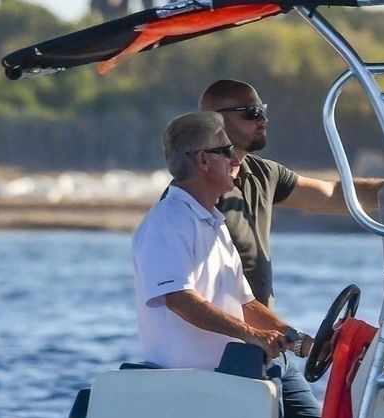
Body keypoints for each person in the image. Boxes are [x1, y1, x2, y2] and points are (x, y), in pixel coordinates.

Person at [198, 79, 384, 418]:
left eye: (262, 109)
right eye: (251, 112)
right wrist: (294, 340)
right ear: (216, 121)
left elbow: (333, 195)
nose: (262, 118)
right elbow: (190, 294)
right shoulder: (197, 195)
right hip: (230, 352)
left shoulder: (262, 173)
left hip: (271, 346)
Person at [131, 112, 309, 376]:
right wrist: (251, 335)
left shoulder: (212, 222)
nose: (236, 160)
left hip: (230, 378)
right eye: (227, 151)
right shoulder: (170, 221)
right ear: (203, 160)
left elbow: (245, 304)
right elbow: (179, 298)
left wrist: (300, 342)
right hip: (189, 384)